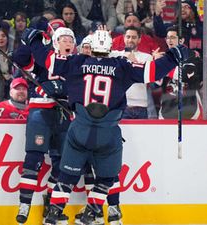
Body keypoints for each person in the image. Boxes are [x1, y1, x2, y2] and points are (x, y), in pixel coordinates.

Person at [21, 25, 188, 225]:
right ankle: (92, 212)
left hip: (79, 130)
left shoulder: (76, 62)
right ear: (110, 47)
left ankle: (54, 214)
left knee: (66, 177)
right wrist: (174, 55)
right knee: (107, 178)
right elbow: (152, 72)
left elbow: (45, 59)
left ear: (90, 47)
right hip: (107, 133)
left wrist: (33, 40)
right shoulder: (122, 66)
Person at [12, 27, 75, 224]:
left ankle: (50, 199)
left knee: (62, 163)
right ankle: (25, 204)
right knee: (33, 158)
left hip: (64, 114)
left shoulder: (76, 62)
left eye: (71, 40)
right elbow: (20, 59)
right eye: (64, 39)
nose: (68, 43)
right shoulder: (43, 58)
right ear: (55, 42)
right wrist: (29, 40)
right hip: (40, 111)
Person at [156, 25, 203, 120]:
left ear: (181, 41)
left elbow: (185, 75)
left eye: (173, 38)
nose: (169, 41)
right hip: (167, 110)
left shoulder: (191, 55)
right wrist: (155, 63)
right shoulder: (164, 57)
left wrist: (162, 65)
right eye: (167, 38)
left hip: (191, 110)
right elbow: (157, 82)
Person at [112, 26, 155, 119]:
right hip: (122, 106)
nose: (130, 40)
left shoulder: (147, 57)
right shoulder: (116, 55)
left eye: (134, 37)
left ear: (139, 39)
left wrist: (134, 61)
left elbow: (147, 79)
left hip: (141, 106)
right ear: (124, 38)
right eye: (128, 37)